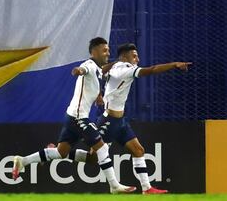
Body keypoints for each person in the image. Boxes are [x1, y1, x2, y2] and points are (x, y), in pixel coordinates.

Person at [12, 37, 136, 194]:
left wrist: (98, 95)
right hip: (78, 117)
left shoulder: (98, 69)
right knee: (102, 148)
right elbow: (84, 70)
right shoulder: (89, 65)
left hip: (72, 116)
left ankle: (22, 161)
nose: (107, 53)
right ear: (94, 52)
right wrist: (79, 71)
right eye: (104, 50)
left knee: (60, 152)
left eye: (108, 50)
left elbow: (94, 78)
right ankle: (114, 185)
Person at [67, 43, 191, 194]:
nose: (137, 59)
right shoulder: (124, 68)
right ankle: (61, 152)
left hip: (121, 121)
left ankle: (147, 188)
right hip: (109, 121)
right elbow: (151, 70)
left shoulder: (115, 67)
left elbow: (100, 73)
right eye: (134, 56)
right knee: (93, 159)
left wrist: (99, 93)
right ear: (125, 57)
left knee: (138, 150)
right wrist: (174, 65)